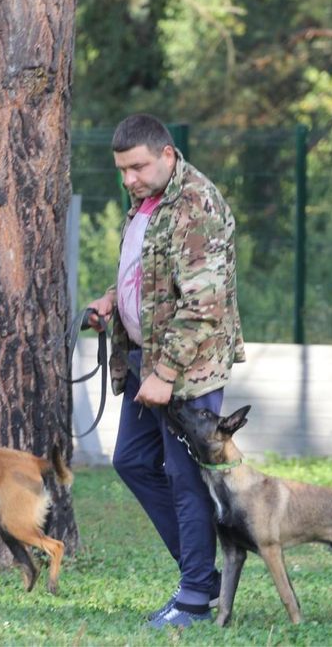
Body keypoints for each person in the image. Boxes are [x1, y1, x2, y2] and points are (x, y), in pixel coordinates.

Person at [85, 114, 245, 628]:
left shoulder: (196, 205)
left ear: (168, 155)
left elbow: (203, 304)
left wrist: (165, 373)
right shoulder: (148, 199)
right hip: (143, 359)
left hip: (185, 370)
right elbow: (151, 272)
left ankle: (195, 596)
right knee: (132, 461)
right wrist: (112, 300)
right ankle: (205, 576)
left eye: (137, 167)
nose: (128, 179)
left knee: (184, 475)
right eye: (122, 170)